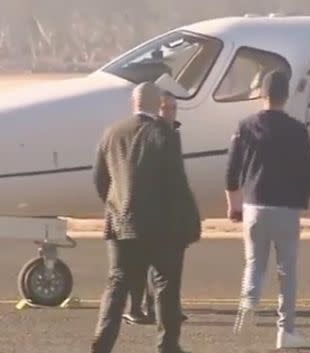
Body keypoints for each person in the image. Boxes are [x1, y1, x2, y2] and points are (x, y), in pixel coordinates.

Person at [91, 82, 196, 353]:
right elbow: (177, 182)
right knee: (165, 286)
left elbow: (100, 179)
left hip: (121, 223)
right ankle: (167, 345)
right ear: (157, 103)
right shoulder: (165, 132)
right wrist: (189, 221)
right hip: (161, 226)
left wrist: (115, 205)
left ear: (132, 102)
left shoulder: (111, 133)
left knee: (116, 286)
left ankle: (101, 344)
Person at [225, 71, 310, 349]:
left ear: (262, 93)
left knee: (254, 263)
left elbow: (231, 171)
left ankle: (248, 303)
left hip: (254, 205)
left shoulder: (245, 126)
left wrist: (233, 206)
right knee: (287, 271)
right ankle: (286, 331)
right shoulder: (297, 130)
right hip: (286, 209)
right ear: (286, 95)